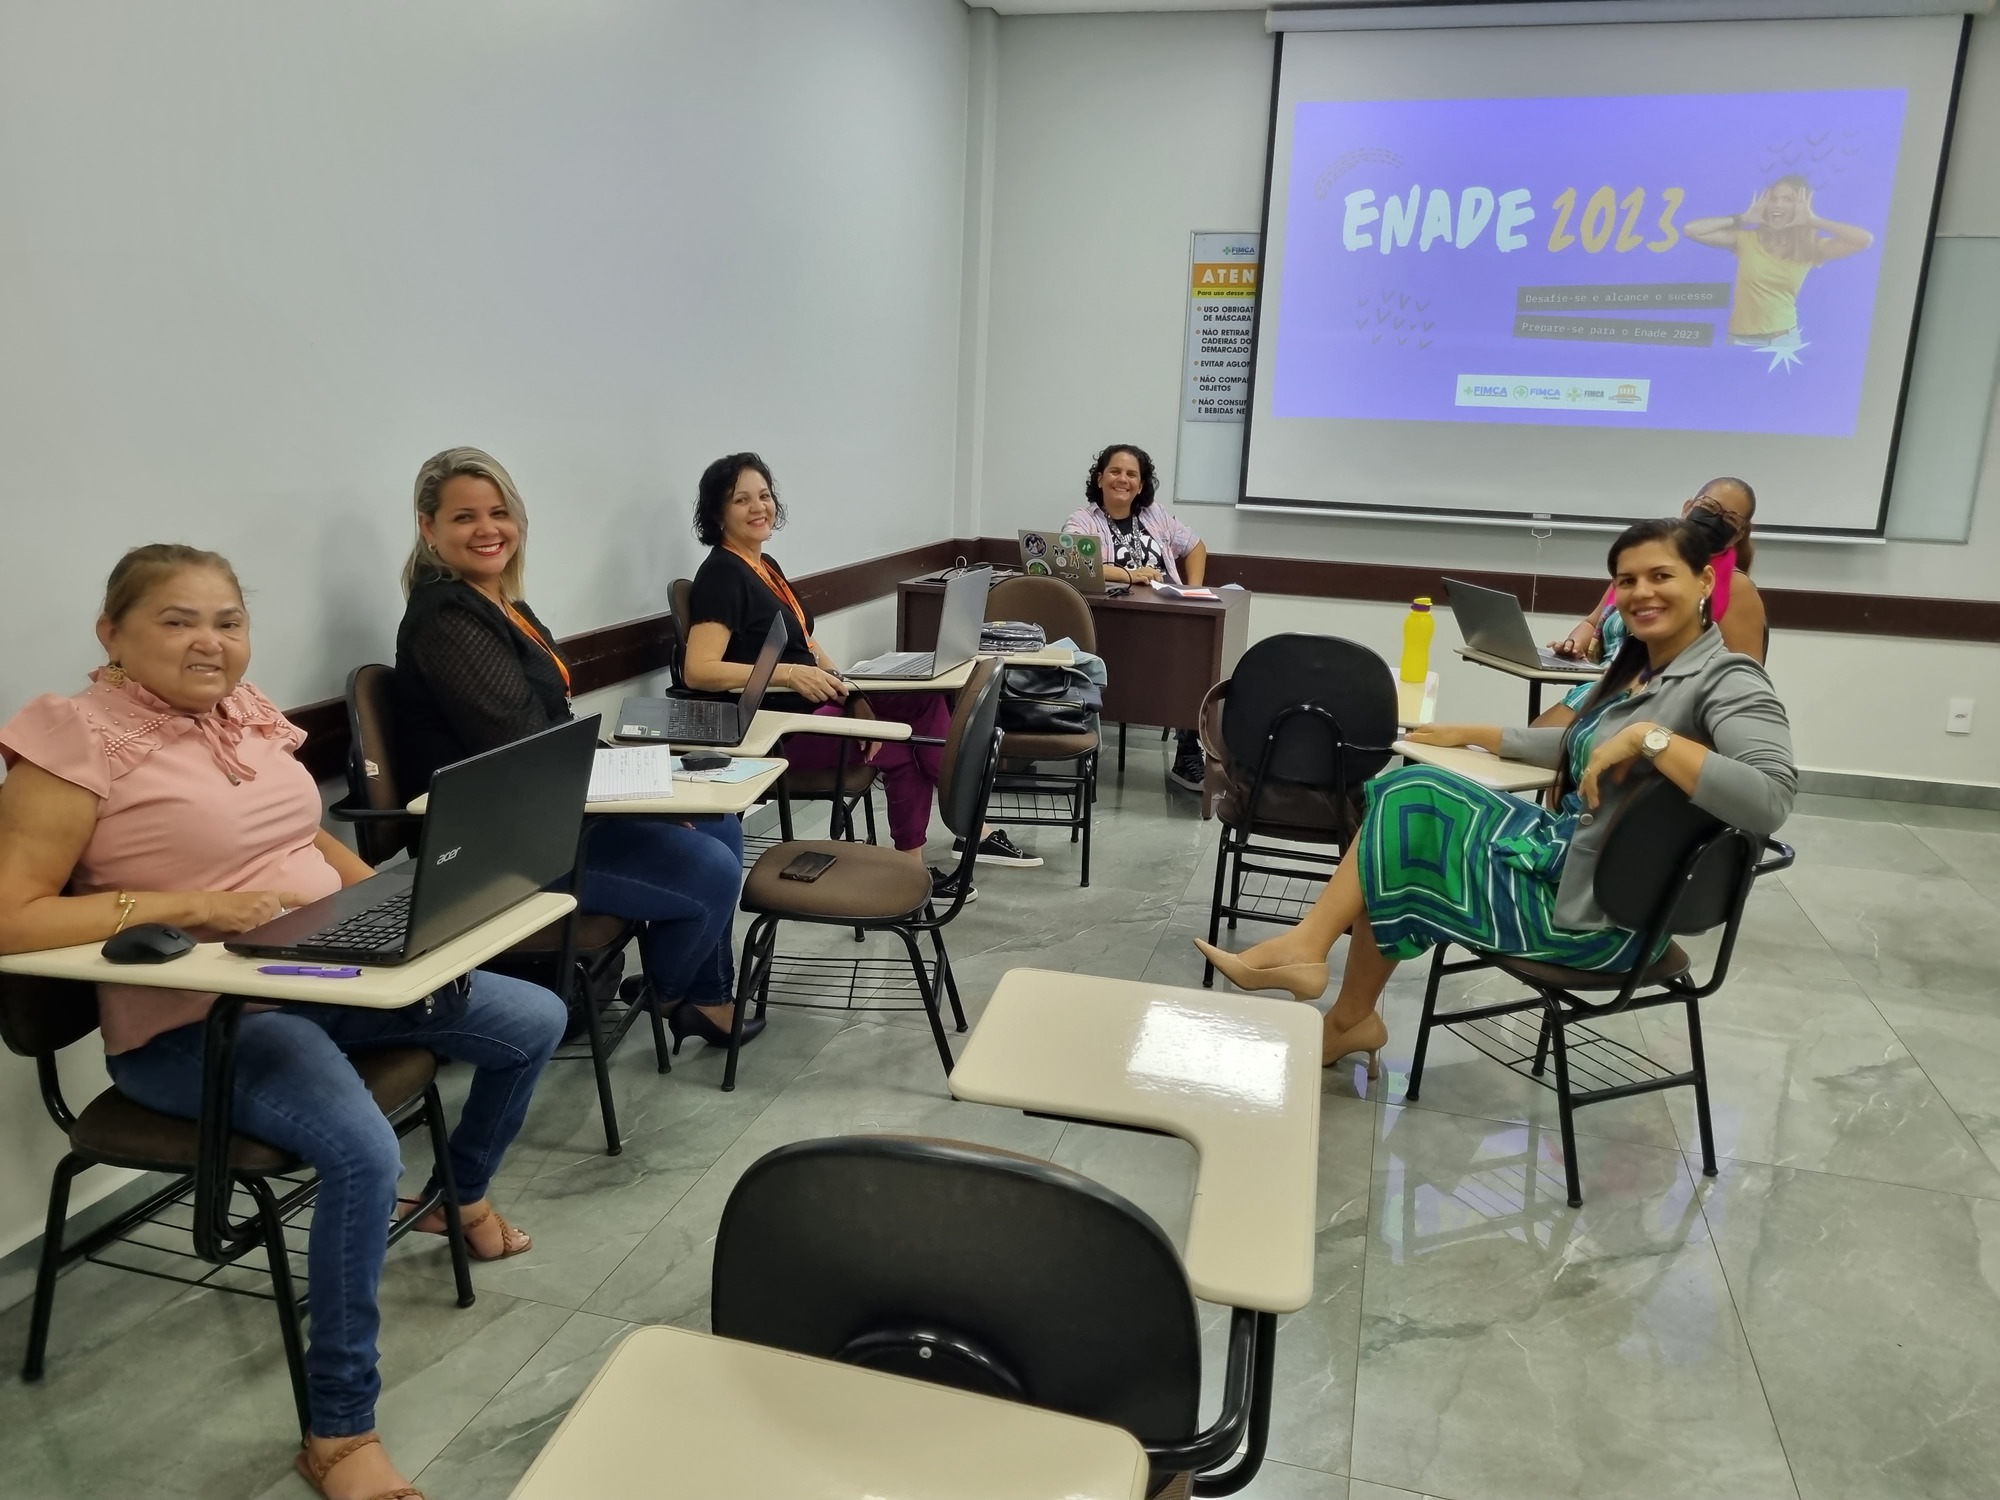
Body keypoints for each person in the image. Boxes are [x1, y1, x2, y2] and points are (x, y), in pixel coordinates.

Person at [0, 544, 566, 1500]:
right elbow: (11, 916)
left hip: (325, 977)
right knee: (365, 1152)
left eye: (229, 621)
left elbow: (300, 838)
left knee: (533, 1018)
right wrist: (188, 906)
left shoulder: (242, 716)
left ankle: (457, 1199)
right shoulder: (74, 740)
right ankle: (340, 1430)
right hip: (198, 1028)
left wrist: (396, 906)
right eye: (178, 621)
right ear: (112, 633)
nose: (210, 642)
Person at [1197, 517, 1795, 1072]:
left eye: (1661, 576)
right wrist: (1477, 734)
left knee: (1410, 817)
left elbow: (1770, 798)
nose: (1642, 593)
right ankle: (1340, 1002)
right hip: (1571, 867)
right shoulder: (1643, 670)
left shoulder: (1729, 679)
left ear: (1704, 581)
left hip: (1605, 920)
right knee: (1404, 802)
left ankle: (1328, 982)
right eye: (1626, 581)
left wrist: (1650, 738)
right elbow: (1584, 747)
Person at [393, 447, 758, 1053]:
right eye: (464, 517)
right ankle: (672, 994)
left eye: (498, 512)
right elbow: (525, 748)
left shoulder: (499, 602)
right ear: (428, 527)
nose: (487, 529)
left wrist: (650, 782)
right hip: (496, 846)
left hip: (543, 813)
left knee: (718, 822)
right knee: (711, 871)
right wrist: (643, 800)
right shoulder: (446, 618)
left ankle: (707, 996)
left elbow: (553, 730)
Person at [681, 453, 1033, 894]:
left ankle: (940, 844)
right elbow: (698, 671)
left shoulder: (765, 567)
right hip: (779, 729)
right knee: (899, 743)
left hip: (815, 705)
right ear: (718, 513)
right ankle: (944, 843)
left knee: (921, 703)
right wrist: (789, 675)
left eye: (765, 496)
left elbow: (808, 644)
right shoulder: (721, 574)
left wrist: (853, 692)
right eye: (741, 500)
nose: (759, 507)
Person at [1539, 477, 1767, 728]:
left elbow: (1741, 679)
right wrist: (1573, 647)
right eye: (1709, 507)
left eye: (1729, 519)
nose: (1714, 520)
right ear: (1687, 507)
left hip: (1655, 706)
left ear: (1738, 534)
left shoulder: (1736, 587)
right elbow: (1592, 622)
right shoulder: (1642, 564)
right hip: (1600, 687)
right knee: (1523, 741)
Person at [1061, 443, 1210, 792]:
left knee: (1196, 656)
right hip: (1109, 622)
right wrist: (1129, 575)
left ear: (1141, 485)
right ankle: (1082, 744)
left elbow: (1196, 547)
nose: (1122, 480)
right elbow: (1073, 560)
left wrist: (1192, 593)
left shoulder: (1155, 515)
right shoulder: (1083, 520)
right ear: (1100, 478)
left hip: (1165, 618)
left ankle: (1188, 750)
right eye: (1115, 472)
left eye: (1132, 474)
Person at [1686, 176, 1874, 349]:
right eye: (1773, 199)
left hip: (1784, 341)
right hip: (1741, 339)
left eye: (1787, 199)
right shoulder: (1747, 239)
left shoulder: (1811, 246)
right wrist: (1742, 218)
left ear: (1801, 206)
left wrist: (1813, 220)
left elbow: (1864, 240)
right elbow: (1692, 230)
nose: (1778, 204)